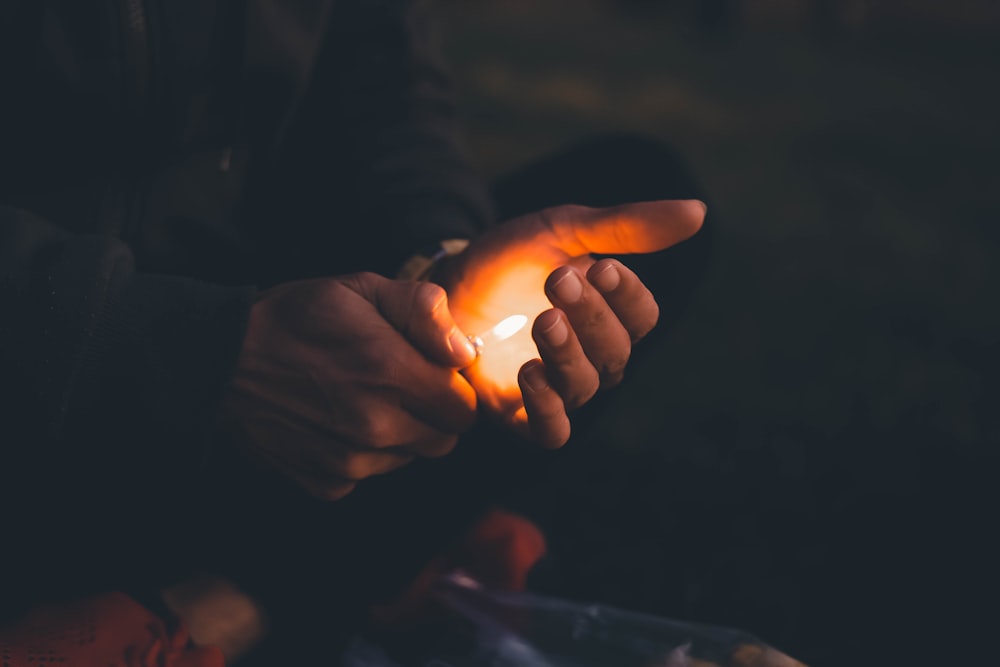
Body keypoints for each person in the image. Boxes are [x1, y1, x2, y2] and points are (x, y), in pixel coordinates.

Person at [0, 0, 711, 663]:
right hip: (41, 391)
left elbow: (386, 92)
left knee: (633, 213)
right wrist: (176, 347)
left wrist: (437, 261)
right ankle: (313, 575)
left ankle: (229, 599)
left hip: (257, 343)